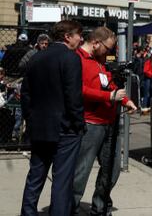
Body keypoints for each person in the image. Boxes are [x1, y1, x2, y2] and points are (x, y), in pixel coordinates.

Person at [20, 20, 85, 216]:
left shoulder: (36, 57)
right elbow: (73, 96)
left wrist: (30, 120)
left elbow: (26, 93)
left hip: (40, 126)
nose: (80, 39)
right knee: (62, 181)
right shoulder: (71, 58)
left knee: (36, 176)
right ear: (67, 36)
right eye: (78, 35)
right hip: (65, 129)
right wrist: (79, 123)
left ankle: (27, 213)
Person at [72, 27, 137, 215]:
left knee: (112, 169)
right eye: (107, 49)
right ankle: (71, 207)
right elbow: (80, 90)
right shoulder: (78, 59)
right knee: (81, 170)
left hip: (108, 122)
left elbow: (109, 84)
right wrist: (108, 97)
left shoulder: (100, 62)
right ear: (96, 43)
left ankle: (100, 206)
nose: (109, 53)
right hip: (90, 123)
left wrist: (126, 100)